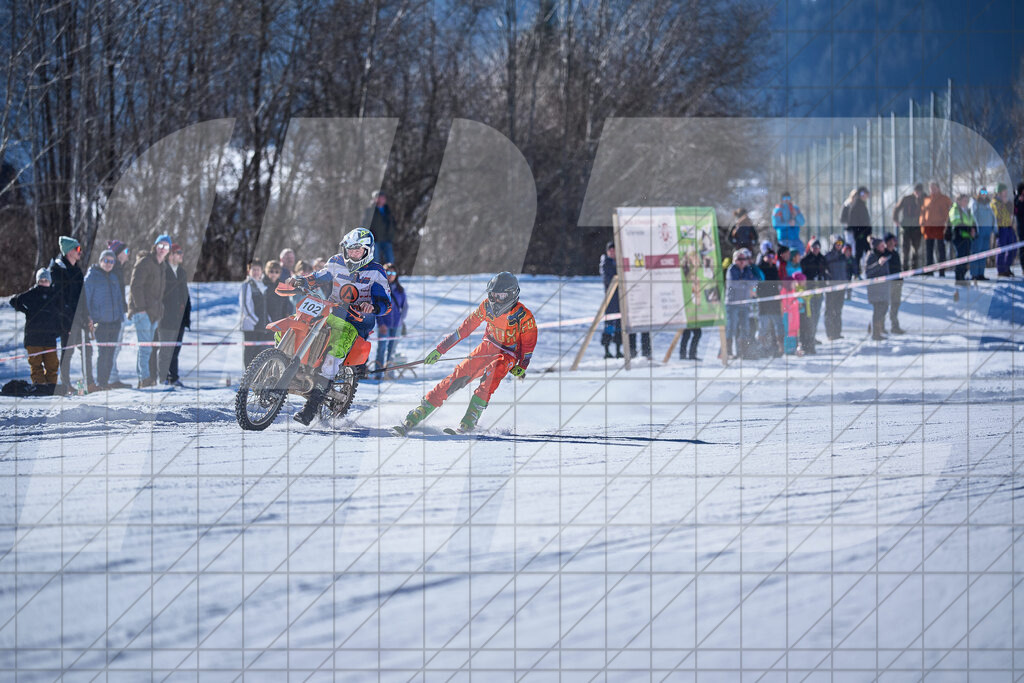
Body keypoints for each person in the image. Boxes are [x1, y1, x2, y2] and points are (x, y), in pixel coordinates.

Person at [395, 272, 536, 434]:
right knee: (458, 375)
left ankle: (470, 419)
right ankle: (422, 410)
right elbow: (464, 330)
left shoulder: (524, 316)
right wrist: (440, 350)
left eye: (501, 295)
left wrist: (523, 366)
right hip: (488, 347)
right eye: (494, 295)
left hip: (509, 353)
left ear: (512, 294)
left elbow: (529, 343)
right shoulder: (486, 307)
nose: (496, 299)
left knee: (491, 375)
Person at [288, 227, 392, 425]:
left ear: (367, 251)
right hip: (333, 310)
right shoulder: (336, 262)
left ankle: (310, 409)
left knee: (334, 356)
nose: (352, 253)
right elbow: (319, 277)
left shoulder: (376, 272)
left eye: (357, 249)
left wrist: (372, 306)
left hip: (358, 320)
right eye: (350, 248)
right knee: (302, 323)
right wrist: (303, 280)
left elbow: (386, 304)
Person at [49, 235, 92, 394]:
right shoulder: (58, 270)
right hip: (66, 319)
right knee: (68, 352)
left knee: (87, 350)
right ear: (68, 252)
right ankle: (66, 384)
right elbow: (59, 300)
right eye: (77, 249)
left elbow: (83, 297)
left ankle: (88, 383)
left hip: (80, 318)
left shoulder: (77, 270)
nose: (80, 252)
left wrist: (87, 316)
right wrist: (69, 320)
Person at [128, 235, 170, 388]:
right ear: (155, 246)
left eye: (166, 246)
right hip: (143, 312)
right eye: (160, 245)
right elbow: (135, 286)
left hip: (154, 313)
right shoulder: (146, 262)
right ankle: (144, 378)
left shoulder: (162, 266)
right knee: (145, 348)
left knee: (148, 348)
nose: (162, 249)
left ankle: (145, 378)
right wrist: (140, 309)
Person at [10, 268, 61, 394]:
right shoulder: (32, 293)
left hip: (49, 338)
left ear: (50, 281)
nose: (44, 283)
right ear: (38, 281)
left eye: (46, 280)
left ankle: (51, 388)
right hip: (33, 338)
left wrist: (59, 329)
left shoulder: (54, 295)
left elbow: (61, 313)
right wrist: (26, 310)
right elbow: (14, 301)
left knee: (52, 365)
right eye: (41, 280)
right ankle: (40, 388)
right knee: (36, 365)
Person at [85, 249, 126, 389]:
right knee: (103, 353)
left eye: (111, 261)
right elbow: (85, 299)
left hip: (115, 322)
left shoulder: (114, 277)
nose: (108, 264)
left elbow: (119, 299)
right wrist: (88, 317)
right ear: (101, 261)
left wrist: (120, 317)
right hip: (100, 322)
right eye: (106, 261)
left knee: (111, 353)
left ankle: (105, 382)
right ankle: (101, 383)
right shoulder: (92, 276)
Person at [157, 243, 191, 386]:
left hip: (180, 318)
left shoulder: (182, 272)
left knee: (176, 350)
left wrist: (187, 315)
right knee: (165, 350)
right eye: (178, 252)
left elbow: (185, 295)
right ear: (170, 255)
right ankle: (163, 378)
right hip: (166, 318)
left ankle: (174, 377)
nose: (181, 255)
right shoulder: (163, 270)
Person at [105, 240, 131, 387]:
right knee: (112, 347)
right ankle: (109, 379)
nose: (128, 255)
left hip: (119, 313)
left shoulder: (119, 268)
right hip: (111, 316)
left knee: (116, 346)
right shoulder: (112, 268)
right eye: (126, 252)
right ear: (118, 253)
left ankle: (112, 378)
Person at [374, 262, 408, 372]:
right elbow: (376, 308)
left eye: (393, 272)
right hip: (384, 325)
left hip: (396, 325)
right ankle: (378, 373)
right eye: (388, 272)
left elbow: (405, 307)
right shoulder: (379, 288)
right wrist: (381, 324)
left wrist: (401, 321)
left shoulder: (400, 290)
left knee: (392, 350)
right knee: (381, 349)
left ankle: (389, 373)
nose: (391, 275)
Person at [725, 248, 756, 360]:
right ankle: (728, 352)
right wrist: (747, 285)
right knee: (731, 328)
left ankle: (742, 352)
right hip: (732, 304)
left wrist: (746, 284)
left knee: (745, 328)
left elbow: (755, 282)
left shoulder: (748, 269)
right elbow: (734, 284)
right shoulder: (731, 269)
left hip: (744, 304)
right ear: (734, 260)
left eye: (744, 259)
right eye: (739, 259)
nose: (742, 261)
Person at [239, 261, 269, 371]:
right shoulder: (247, 285)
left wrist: (266, 321)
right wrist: (255, 321)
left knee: (259, 352)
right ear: (249, 271)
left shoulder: (262, 285)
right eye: (254, 270)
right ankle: (248, 375)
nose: (256, 272)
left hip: (262, 325)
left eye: (258, 270)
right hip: (251, 326)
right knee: (250, 352)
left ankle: (256, 375)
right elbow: (245, 306)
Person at [755, 249, 784, 358]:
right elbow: (759, 286)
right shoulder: (760, 269)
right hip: (764, 302)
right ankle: (762, 348)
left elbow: (777, 285)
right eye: (769, 256)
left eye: (773, 256)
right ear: (763, 257)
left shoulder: (774, 268)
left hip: (774, 302)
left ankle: (776, 348)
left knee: (776, 326)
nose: (771, 258)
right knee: (763, 326)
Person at [920, 181, 952, 276]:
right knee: (929, 251)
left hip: (940, 228)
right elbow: (923, 213)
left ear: (938, 188)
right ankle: (929, 271)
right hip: (929, 228)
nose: (932, 190)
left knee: (940, 250)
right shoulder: (927, 200)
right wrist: (922, 223)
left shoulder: (945, 199)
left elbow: (949, 212)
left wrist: (947, 225)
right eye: (931, 188)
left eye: (934, 188)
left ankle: (942, 271)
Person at [800, 237, 827, 341]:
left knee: (816, 315)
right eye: (813, 247)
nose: (816, 249)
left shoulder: (822, 259)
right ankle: (809, 337)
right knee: (810, 315)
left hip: (819, 291)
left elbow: (825, 273)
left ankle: (813, 336)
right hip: (809, 292)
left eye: (817, 247)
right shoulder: (805, 260)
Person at [893, 183, 925, 270]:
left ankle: (914, 267)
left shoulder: (925, 199)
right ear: (914, 191)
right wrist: (896, 220)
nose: (918, 193)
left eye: (919, 192)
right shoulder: (907, 199)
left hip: (917, 227)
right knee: (905, 247)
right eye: (916, 191)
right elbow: (896, 208)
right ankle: (904, 267)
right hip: (906, 226)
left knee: (916, 248)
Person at [599, 241, 623, 358]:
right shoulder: (605, 263)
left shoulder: (619, 262)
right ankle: (607, 350)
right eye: (610, 251)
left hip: (620, 298)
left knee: (619, 325)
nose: (612, 253)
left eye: (614, 250)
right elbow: (607, 278)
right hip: (610, 299)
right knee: (609, 325)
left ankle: (619, 350)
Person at [864, 237, 891, 340]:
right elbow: (868, 272)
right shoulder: (871, 256)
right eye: (881, 245)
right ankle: (875, 333)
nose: (883, 247)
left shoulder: (883, 255)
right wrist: (878, 264)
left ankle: (877, 329)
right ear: (876, 247)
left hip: (883, 289)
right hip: (875, 290)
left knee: (884, 309)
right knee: (878, 310)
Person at [824, 236, 849, 340]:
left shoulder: (843, 257)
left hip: (841, 287)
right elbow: (824, 271)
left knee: (838, 310)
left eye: (840, 244)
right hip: (831, 288)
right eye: (837, 244)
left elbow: (847, 270)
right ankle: (830, 333)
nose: (839, 246)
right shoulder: (828, 256)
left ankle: (837, 332)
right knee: (830, 310)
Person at [948, 193, 977, 284]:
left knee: (966, 256)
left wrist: (974, 229)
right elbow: (956, 223)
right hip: (958, 237)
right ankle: (959, 278)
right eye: (964, 200)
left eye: (967, 200)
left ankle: (963, 276)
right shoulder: (954, 210)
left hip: (967, 237)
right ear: (959, 201)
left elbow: (972, 221)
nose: (966, 202)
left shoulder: (967, 210)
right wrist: (969, 229)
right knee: (960, 257)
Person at [968, 187, 995, 281]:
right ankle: (974, 274)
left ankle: (981, 274)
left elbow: (993, 217)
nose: (984, 194)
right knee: (976, 252)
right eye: (982, 192)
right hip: (978, 232)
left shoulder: (988, 204)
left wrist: (995, 228)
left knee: (984, 253)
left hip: (987, 232)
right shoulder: (975, 203)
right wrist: (975, 229)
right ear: (978, 192)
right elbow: (972, 216)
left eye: (985, 192)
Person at [364, 191, 396, 264]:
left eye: (383, 198)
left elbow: (392, 224)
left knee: (390, 260)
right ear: (375, 199)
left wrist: (391, 235)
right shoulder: (370, 210)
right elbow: (365, 224)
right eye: (380, 197)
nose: (382, 199)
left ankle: (389, 275)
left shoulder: (388, 210)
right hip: (375, 240)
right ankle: (375, 275)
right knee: (375, 260)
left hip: (387, 239)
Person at [847, 186, 872, 274]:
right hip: (861, 234)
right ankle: (858, 272)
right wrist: (860, 233)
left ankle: (861, 271)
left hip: (862, 233)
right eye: (865, 194)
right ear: (862, 194)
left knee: (863, 252)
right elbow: (853, 221)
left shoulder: (860, 204)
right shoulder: (857, 205)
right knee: (860, 253)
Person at [884, 233, 905, 334]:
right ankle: (880, 327)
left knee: (895, 305)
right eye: (890, 242)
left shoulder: (895, 254)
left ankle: (895, 326)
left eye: (894, 242)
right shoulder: (884, 254)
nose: (893, 244)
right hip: (888, 284)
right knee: (884, 306)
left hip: (898, 283)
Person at [994, 184, 1016, 277]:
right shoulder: (995, 203)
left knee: (1013, 247)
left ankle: (1007, 267)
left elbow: (1012, 212)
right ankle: (1001, 270)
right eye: (1004, 191)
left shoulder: (1007, 202)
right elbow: (997, 215)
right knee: (1002, 249)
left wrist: (1007, 204)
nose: (1006, 193)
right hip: (1001, 228)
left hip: (1009, 227)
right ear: (999, 192)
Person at [262, 259, 293, 323]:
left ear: (279, 274)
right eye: (271, 271)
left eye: (276, 272)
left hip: (279, 319)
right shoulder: (263, 285)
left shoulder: (281, 286)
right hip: (266, 320)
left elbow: (286, 302)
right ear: (267, 271)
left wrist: (286, 314)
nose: (274, 274)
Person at [1015, 183, 1024, 269]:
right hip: (1021, 227)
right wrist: (1019, 202)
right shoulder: (1017, 200)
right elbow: (1016, 212)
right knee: (1022, 248)